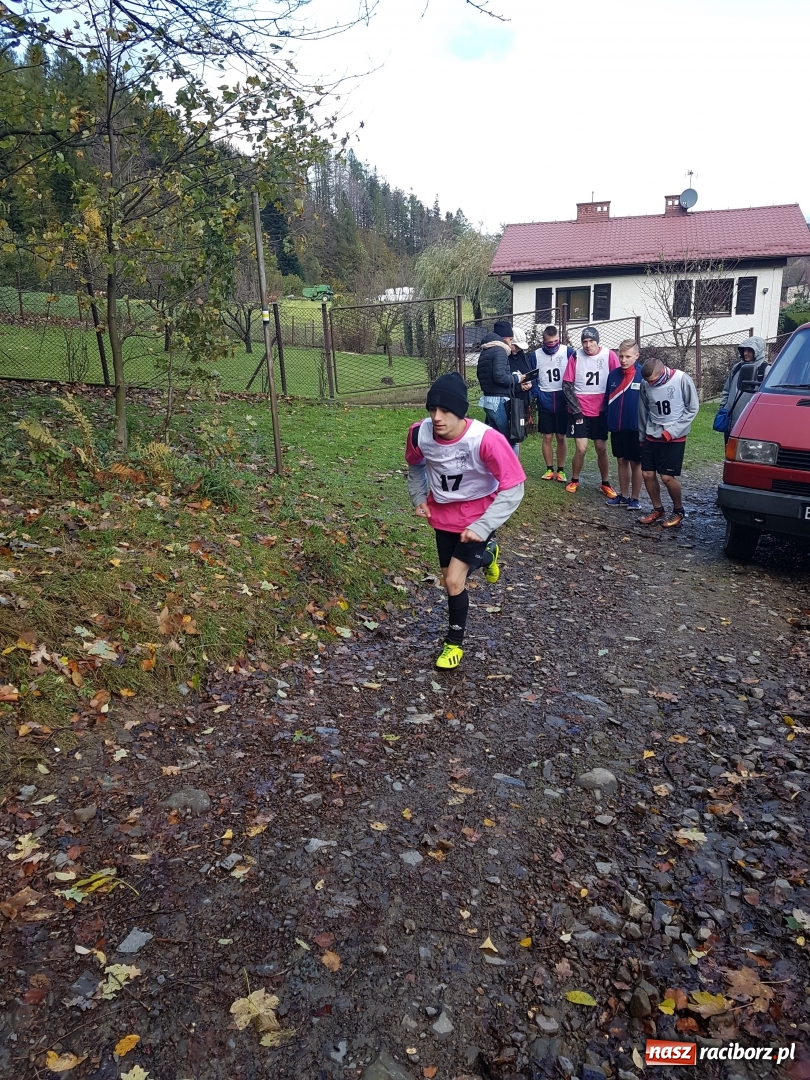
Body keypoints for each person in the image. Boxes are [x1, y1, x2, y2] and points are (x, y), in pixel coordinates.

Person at [405, 371, 526, 670]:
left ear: (461, 411)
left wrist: (484, 526)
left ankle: (453, 644)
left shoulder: (486, 439)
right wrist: (419, 497)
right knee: (450, 579)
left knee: (453, 580)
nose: (437, 417)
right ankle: (487, 556)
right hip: (443, 516)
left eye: (445, 410)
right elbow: (414, 465)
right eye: (432, 409)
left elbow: (514, 487)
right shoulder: (419, 434)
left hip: (478, 516)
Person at [637, 355, 700, 528]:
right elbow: (642, 410)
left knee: (667, 477)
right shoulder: (645, 384)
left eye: (652, 380)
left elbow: (693, 408)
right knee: (647, 474)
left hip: (674, 436)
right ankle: (658, 509)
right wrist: (642, 435)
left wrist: (672, 431)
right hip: (652, 434)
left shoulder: (681, 379)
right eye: (647, 381)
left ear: (661, 373)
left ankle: (678, 510)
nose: (650, 384)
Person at [561, 325, 619, 497]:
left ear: (597, 341)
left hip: (600, 411)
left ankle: (605, 483)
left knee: (601, 448)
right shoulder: (575, 356)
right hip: (580, 410)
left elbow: (617, 379)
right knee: (581, 448)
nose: (587, 345)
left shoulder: (609, 355)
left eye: (591, 341)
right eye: (584, 341)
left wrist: (609, 405)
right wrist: (576, 410)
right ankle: (574, 479)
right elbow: (566, 385)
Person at [529, 324, 573, 482]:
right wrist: (537, 394)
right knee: (547, 436)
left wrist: (570, 395)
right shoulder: (535, 355)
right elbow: (532, 377)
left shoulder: (567, 352)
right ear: (543, 341)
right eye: (549, 342)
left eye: (555, 341)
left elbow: (575, 372)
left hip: (562, 399)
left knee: (561, 436)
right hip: (545, 399)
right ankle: (549, 469)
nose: (553, 345)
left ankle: (561, 470)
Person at [477, 319, 529, 448]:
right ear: (504, 337)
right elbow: (500, 377)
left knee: (496, 439)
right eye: (510, 339)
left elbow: (483, 375)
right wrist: (517, 378)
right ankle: (511, 462)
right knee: (510, 440)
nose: (511, 343)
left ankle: (497, 461)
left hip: (488, 400)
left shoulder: (486, 349)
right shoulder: (499, 350)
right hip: (498, 400)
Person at [604, 339, 643, 509]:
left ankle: (635, 499)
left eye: (628, 356)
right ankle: (624, 495)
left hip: (635, 428)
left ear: (637, 356)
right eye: (621, 356)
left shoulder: (643, 375)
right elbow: (607, 399)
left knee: (636, 463)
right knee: (621, 460)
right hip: (617, 427)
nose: (624, 360)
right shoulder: (613, 375)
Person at [717, 336, 768, 444]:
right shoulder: (737, 368)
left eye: (749, 350)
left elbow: (768, 399)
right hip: (731, 422)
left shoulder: (765, 371)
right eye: (744, 350)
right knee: (729, 451)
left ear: (757, 351)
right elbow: (727, 390)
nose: (745, 353)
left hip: (751, 424)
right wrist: (723, 407)